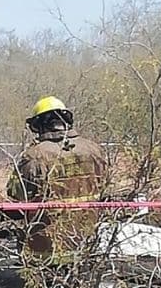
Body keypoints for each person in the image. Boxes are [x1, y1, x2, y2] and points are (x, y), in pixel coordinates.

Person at [6, 95, 107, 257]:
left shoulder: (36, 155)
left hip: (46, 247)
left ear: (39, 125)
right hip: (87, 243)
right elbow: (105, 188)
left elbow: (15, 193)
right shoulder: (94, 150)